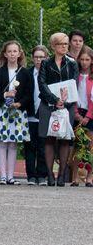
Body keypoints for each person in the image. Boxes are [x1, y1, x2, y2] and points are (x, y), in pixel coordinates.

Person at [0, 41, 31, 185]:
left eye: (15, 51)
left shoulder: (25, 72)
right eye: (10, 51)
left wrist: (19, 103)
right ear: (5, 54)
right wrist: (5, 95)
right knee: (1, 143)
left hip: (17, 112)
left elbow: (28, 93)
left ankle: (11, 176)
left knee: (12, 144)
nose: (12, 54)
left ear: (19, 53)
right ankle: (3, 175)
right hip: (2, 111)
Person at [39, 32, 78, 186]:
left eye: (66, 44)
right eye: (61, 44)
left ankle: (62, 174)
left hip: (67, 106)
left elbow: (73, 83)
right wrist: (55, 100)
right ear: (53, 46)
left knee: (64, 140)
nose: (64, 47)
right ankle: (50, 175)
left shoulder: (72, 63)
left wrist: (64, 102)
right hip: (48, 105)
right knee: (48, 139)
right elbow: (42, 84)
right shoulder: (45, 63)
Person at [24, 45, 49, 186]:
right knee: (30, 146)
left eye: (41, 57)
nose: (39, 59)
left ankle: (42, 175)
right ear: (32, 58)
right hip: (29, 115)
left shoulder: (50, 74)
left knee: (43, 146)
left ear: (46, 58)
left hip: (45, 114)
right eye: (36, 57)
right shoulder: (27, 73)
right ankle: (31, 176)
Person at [72, 47, 93, 186]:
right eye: (82, 59)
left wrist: (88, 116)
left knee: (90, 146)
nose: (84, 62)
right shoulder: (75, 75)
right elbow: (72, 94)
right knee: (77, 147)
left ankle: (90, 177)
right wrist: (76, 114)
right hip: (77, 112)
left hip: (90, 113)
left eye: (87, 60)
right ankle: (75, 177)